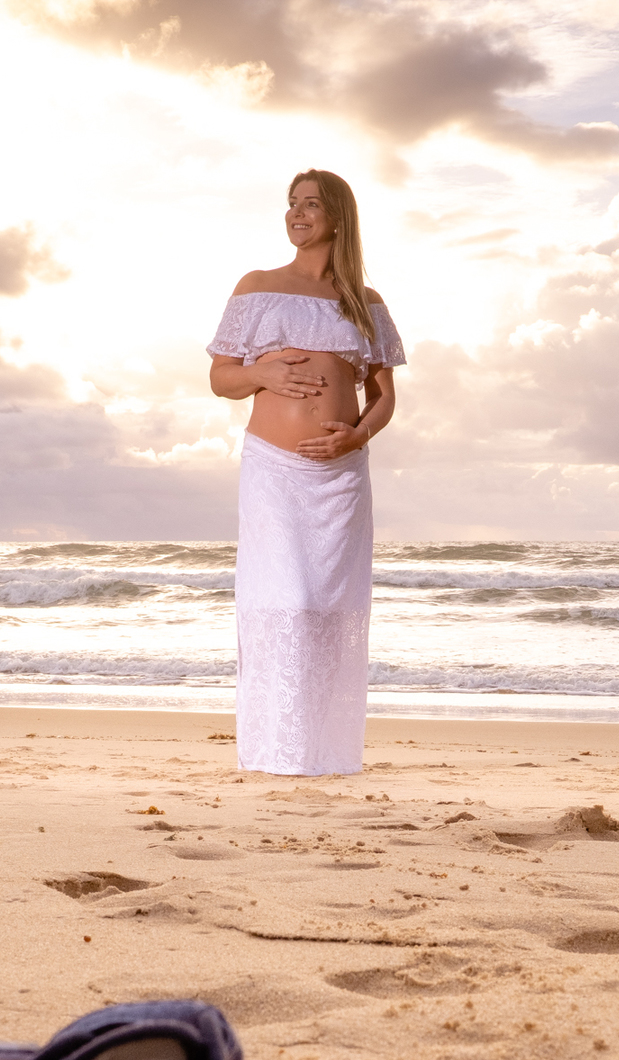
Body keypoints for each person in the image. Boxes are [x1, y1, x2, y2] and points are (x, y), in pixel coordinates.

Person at [207, 169, 406, 776]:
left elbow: (385, 397)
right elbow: (220, 379)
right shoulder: (258, 287)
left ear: (337, 217)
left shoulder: (365, 303)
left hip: (341, 477)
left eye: (311, 205)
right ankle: (273, 748)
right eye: (291, 204)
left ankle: (321, 752)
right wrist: (263, 375)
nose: (296, 213)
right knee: (283, 600)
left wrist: (357, 435)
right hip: (274, 471)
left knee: (327, 607)